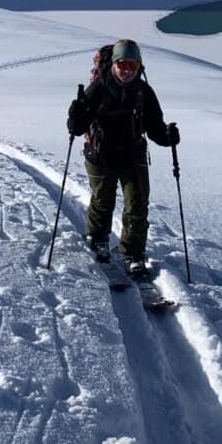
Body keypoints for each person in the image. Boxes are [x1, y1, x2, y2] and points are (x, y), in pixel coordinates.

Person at [66, 39, 180, 277]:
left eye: (133, 66)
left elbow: (154, 128)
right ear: (114, 64)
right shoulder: (98, 88)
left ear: (140, 67)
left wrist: (168, 137)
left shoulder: (144, 92)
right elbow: (78, 128)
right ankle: (97, 240)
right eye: (123, 64)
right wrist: (75, 117)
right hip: (101, 154)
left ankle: (133, 253)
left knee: (137, 204)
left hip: (132, 153)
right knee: (102, 199)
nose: (127, 70)